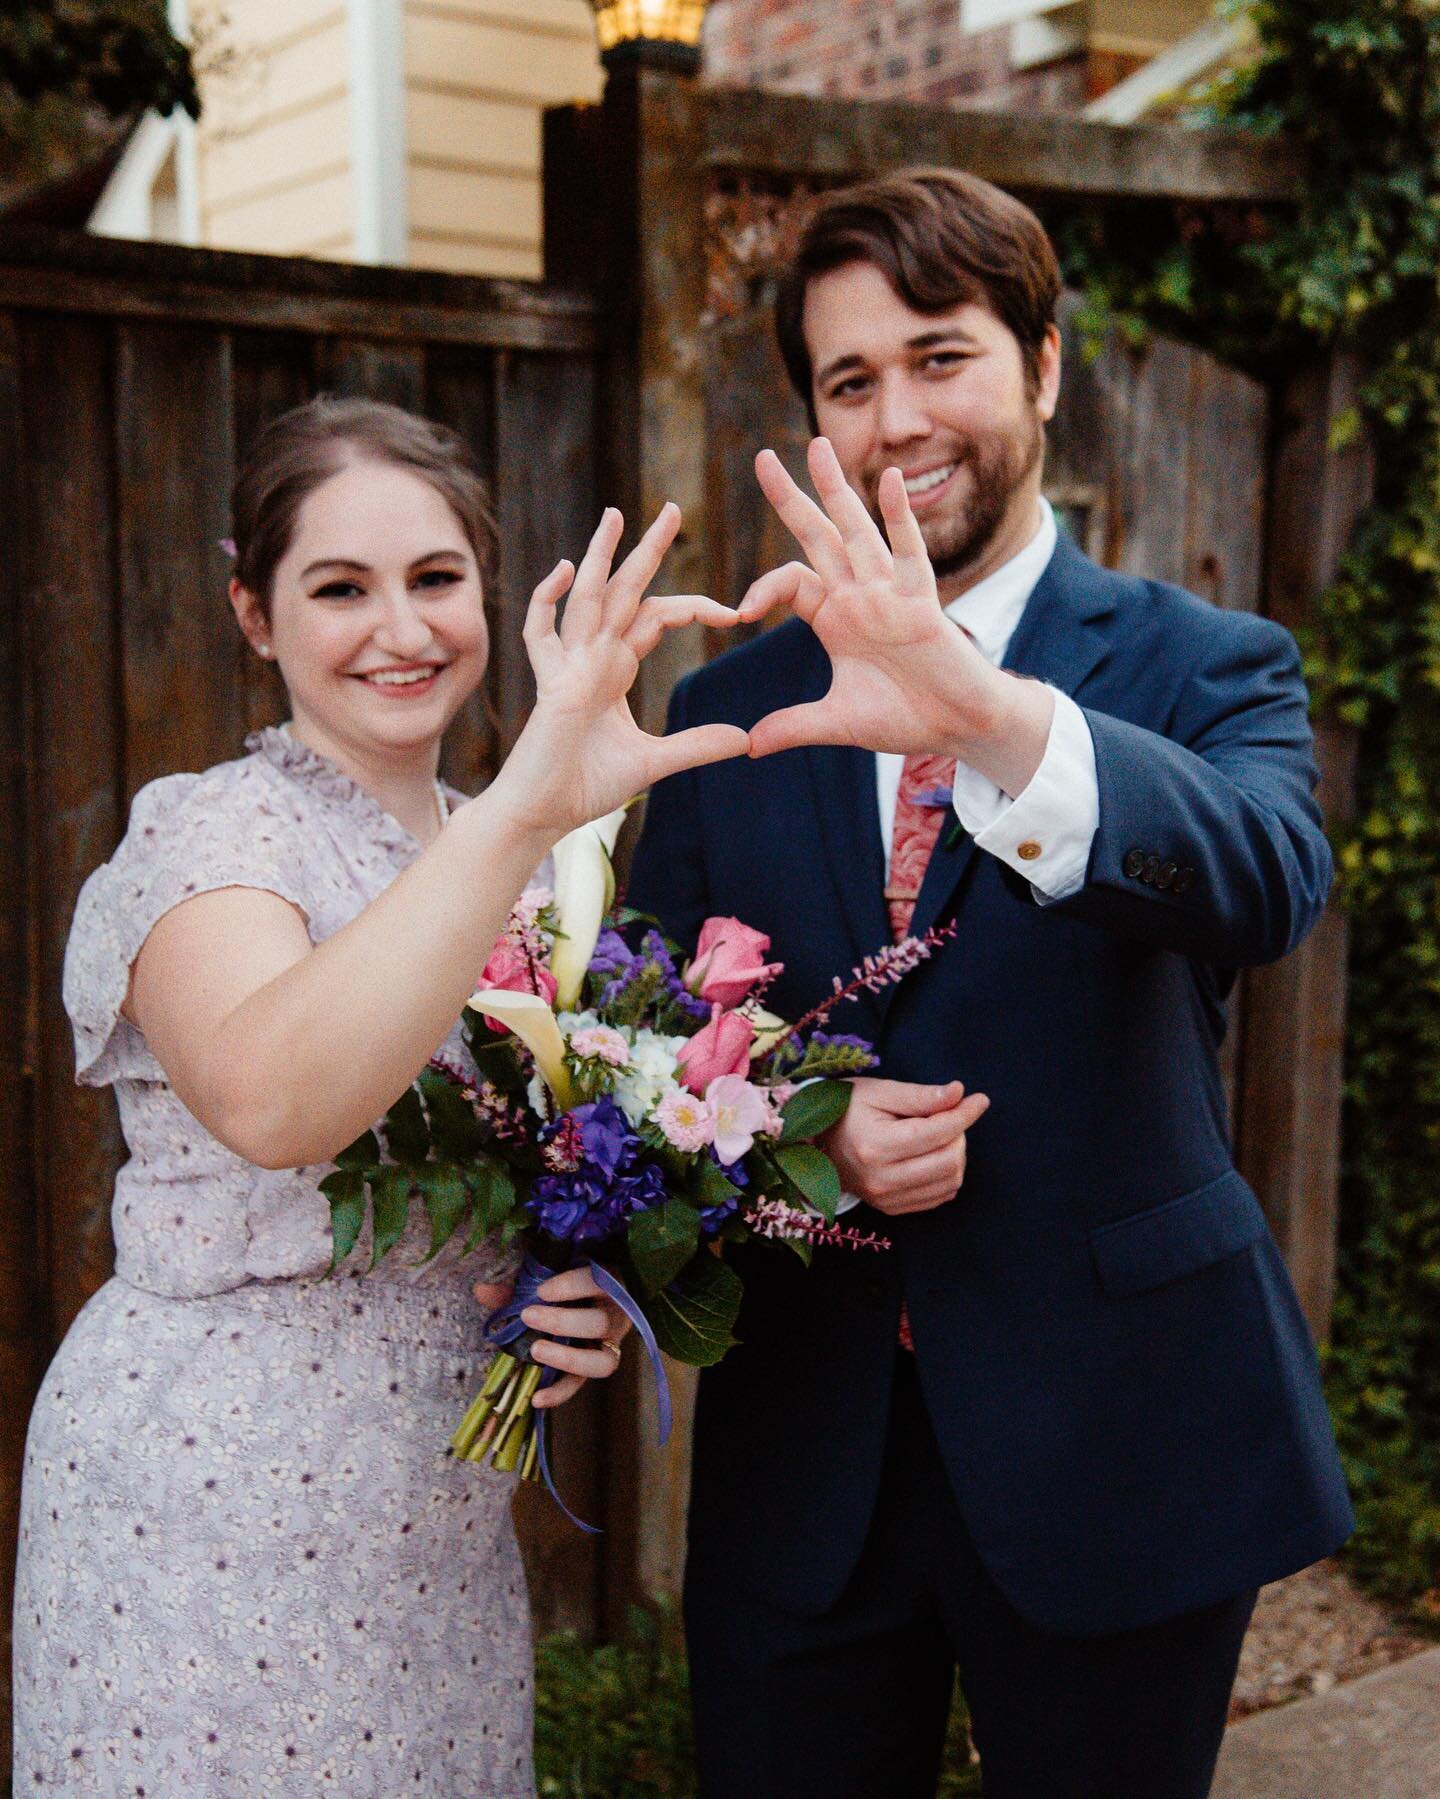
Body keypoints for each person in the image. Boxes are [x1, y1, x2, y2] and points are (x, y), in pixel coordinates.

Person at [629, 168, 1354, 1799]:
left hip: (1123, 1443)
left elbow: (1265, 887)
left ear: (1041, 364)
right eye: (850, 381)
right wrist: (802, 1130)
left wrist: (985, 714)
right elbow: (643, 1047)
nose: (898, 419)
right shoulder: (731, 704)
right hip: (806, 1470)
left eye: (941, 356)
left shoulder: (1205, 662)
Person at [11, 395, 747, 1796]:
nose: (400, 630)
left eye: (434, 579)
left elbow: (541, 1156)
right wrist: (540, 799)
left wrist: (578, 1283)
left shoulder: (519, 860)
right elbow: (273, 1101)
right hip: (204, 1491)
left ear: (486, 587)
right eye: (338, 588)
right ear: (254, 614)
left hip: (432, 1513)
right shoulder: (215, 828)